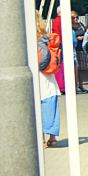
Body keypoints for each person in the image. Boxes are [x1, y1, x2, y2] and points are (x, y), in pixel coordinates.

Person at [36, 11, 61, 148]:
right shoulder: (45, 37)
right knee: (51, 107)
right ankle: (52, 138)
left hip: (36, 78)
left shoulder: (25, 38)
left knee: (36, 109)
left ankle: (41, 139)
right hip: (48, 77)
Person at [70, 12, 88, 94]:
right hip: (75, 48)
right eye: (73, 17)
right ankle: (75, 85)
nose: (76, 19)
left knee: (82, 68)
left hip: (82, 48)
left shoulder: (80, 24)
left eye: (76, 17)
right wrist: (77, 38)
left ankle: (81, 85)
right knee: (75, 68)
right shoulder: (70, 27)